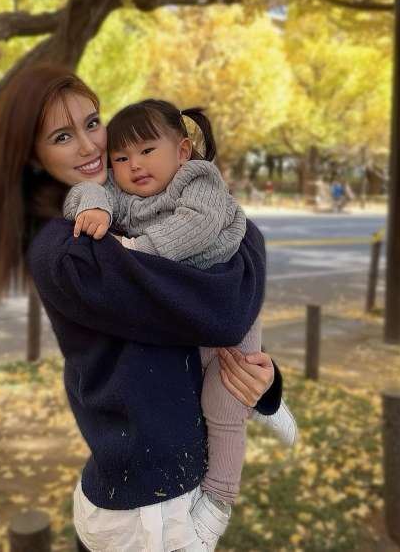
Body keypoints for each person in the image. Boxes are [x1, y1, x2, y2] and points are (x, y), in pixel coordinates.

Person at [0, 65, 284, 552]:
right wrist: (237, 229)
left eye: (92, 123)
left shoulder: (120, 206)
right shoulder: (69, 250)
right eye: (62, 136)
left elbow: (204, 307)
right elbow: (226, 306)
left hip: (165, 488)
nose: (90, 146)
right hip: (147, 505)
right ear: (33, 156)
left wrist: (261, 381)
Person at [62, 99, 297, 546]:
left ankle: (220, 498)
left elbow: (198, 226)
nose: (135, 165)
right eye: (121, 158)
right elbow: (85, 191)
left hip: (224, 301)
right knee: (218, 388)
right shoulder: (124, 197)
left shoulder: (198, 180)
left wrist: (138, 253)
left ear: (183, 151)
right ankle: (261, 402)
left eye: (148, 151)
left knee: (226, 395)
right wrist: (96, 207)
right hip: (188, 316)